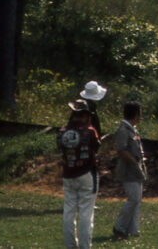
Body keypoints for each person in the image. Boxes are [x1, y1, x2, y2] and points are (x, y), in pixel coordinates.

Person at [58, 99, 101, 249]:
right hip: (86, 173)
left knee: (69, 210)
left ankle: (70, 245)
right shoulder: (90, 131)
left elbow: (61, 151)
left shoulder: (62, 132)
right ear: (85, 115)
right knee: (86, 213)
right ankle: (84, 245)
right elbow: (96, 148)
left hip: (68, 174)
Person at [112, 101, 147, 240]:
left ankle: (133, 229)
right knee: (133, 199)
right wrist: (134, 162)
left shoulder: (133, 129)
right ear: (136, 114)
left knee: (137, 200)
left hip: (137, 168)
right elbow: (121, 150)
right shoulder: (123, 130)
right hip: (129, 170)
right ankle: (119, 226)